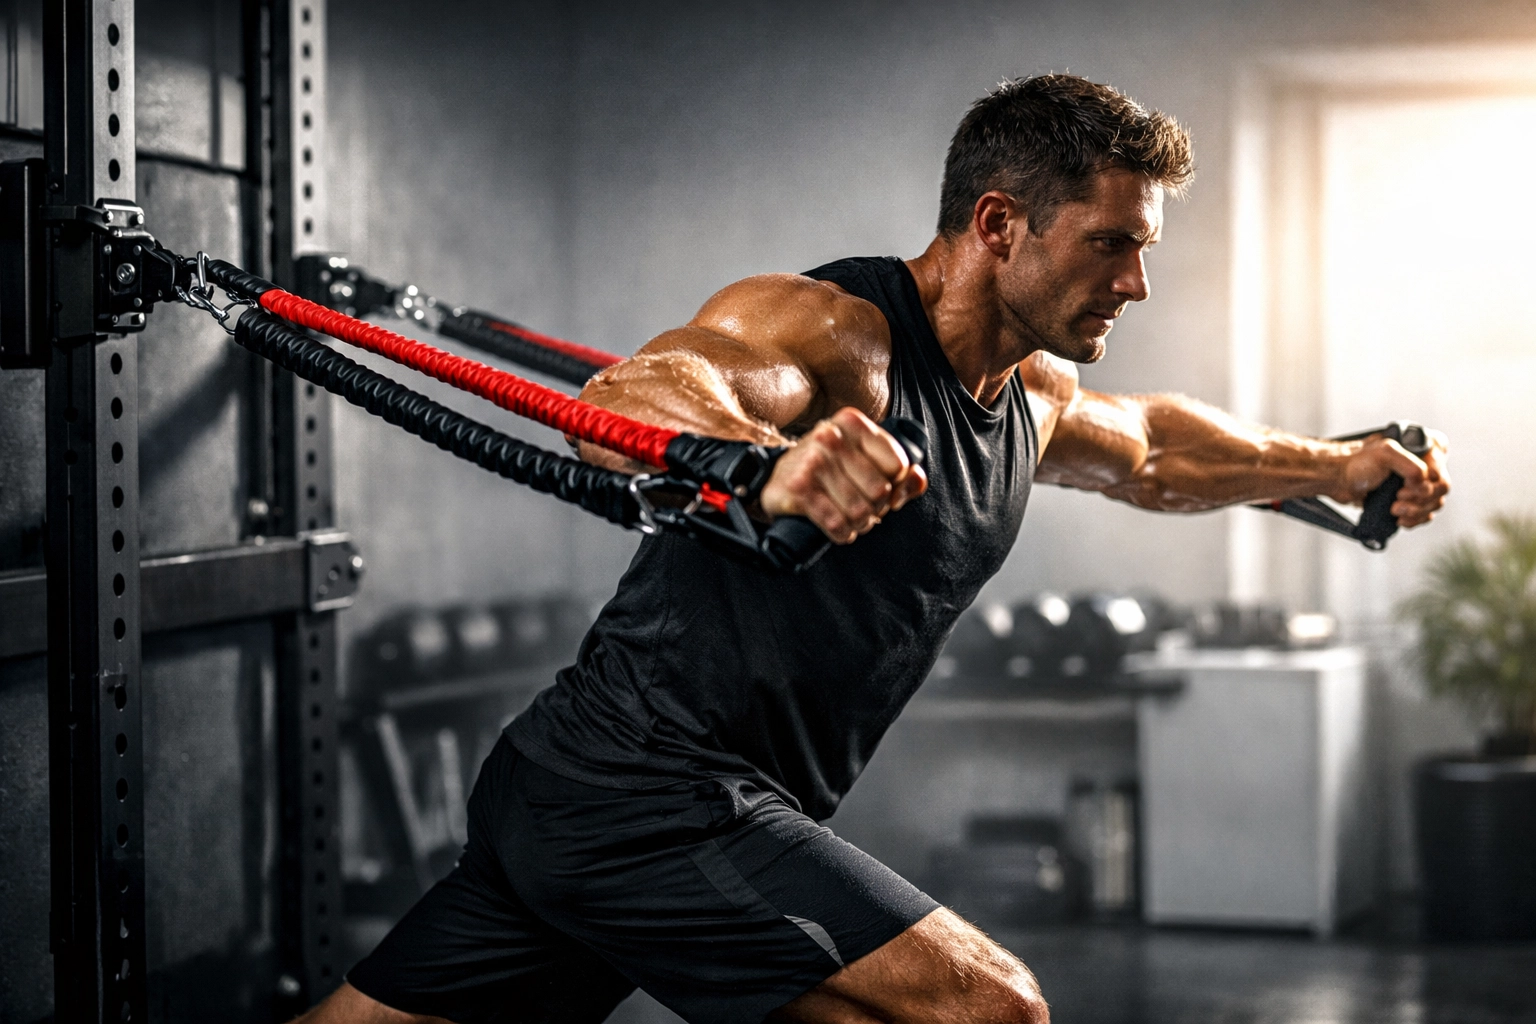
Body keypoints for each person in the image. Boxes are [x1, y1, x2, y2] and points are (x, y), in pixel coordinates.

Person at [306, 74, 1449, 1024]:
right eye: (1110, 245)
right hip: (647, 790)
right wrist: (757, 459)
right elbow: (651, 384)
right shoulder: (832, 331)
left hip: (585, 791)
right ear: (1000, 224)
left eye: (1141, 250)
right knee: (991, 1010)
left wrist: (1334, 464)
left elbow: (1153, 448)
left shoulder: (1035, 395)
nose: (1135, 283)